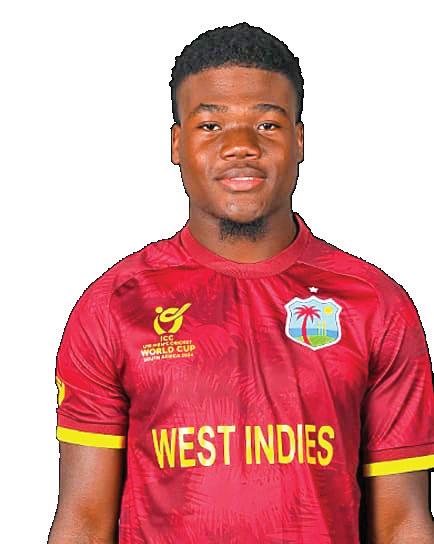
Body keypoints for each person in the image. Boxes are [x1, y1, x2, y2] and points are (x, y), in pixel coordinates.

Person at [48, 22, 434, 543]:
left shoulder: (375, 305)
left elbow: (403, 521)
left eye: (267, 124)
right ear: (177, 143)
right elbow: (84, 521)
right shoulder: (115, 305)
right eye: (210, 125)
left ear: (299, 140)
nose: (240, 146)